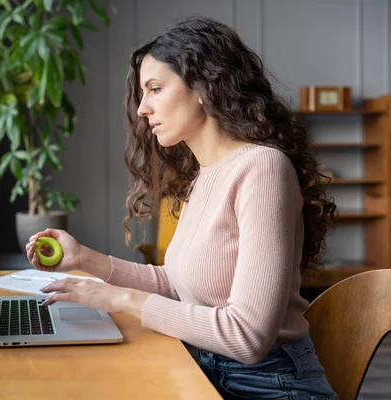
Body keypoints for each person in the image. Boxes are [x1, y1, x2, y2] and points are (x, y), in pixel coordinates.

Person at [25, 16, 339, 399]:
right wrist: (84, 259)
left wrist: (121, 299)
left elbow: (248, 337)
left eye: (155, 88)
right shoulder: (205, 175)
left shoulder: (262, 169)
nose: (142, 109)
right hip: (206, 368)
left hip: (268, 384)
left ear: (204, 88)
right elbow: (178, 284)